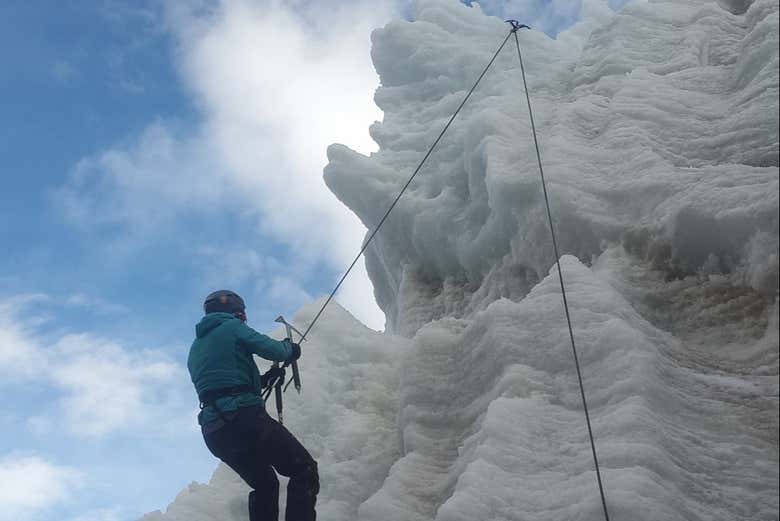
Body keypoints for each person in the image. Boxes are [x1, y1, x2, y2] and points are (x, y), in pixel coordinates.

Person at [187, 290, 319, 521]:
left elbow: (222, 384)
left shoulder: (195, 349)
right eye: (242, 314)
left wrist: (265, 380)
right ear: (234, 312)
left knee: (265, 484)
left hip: (215, 432)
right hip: (244, 420)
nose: (244, 319)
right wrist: (290, 350)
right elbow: (273, 349)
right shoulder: (231, 327)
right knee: (303, 469)